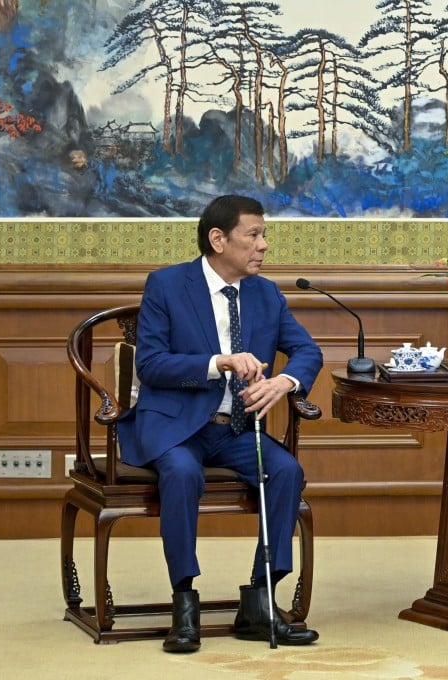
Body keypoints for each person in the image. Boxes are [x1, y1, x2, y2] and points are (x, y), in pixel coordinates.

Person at [118, 194, 322, 653]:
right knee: (182, 472)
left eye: (263, 235)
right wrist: (219, 362)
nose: (263, 245)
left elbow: (308, 351)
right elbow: (150, 365)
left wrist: (285, 382)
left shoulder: (266, 293)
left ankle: (259, 602)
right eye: (253, 235)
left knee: (286, 470)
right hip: (177, 427)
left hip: (235, 429)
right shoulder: (167, 286)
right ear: (217, 239)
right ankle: (184, 602)